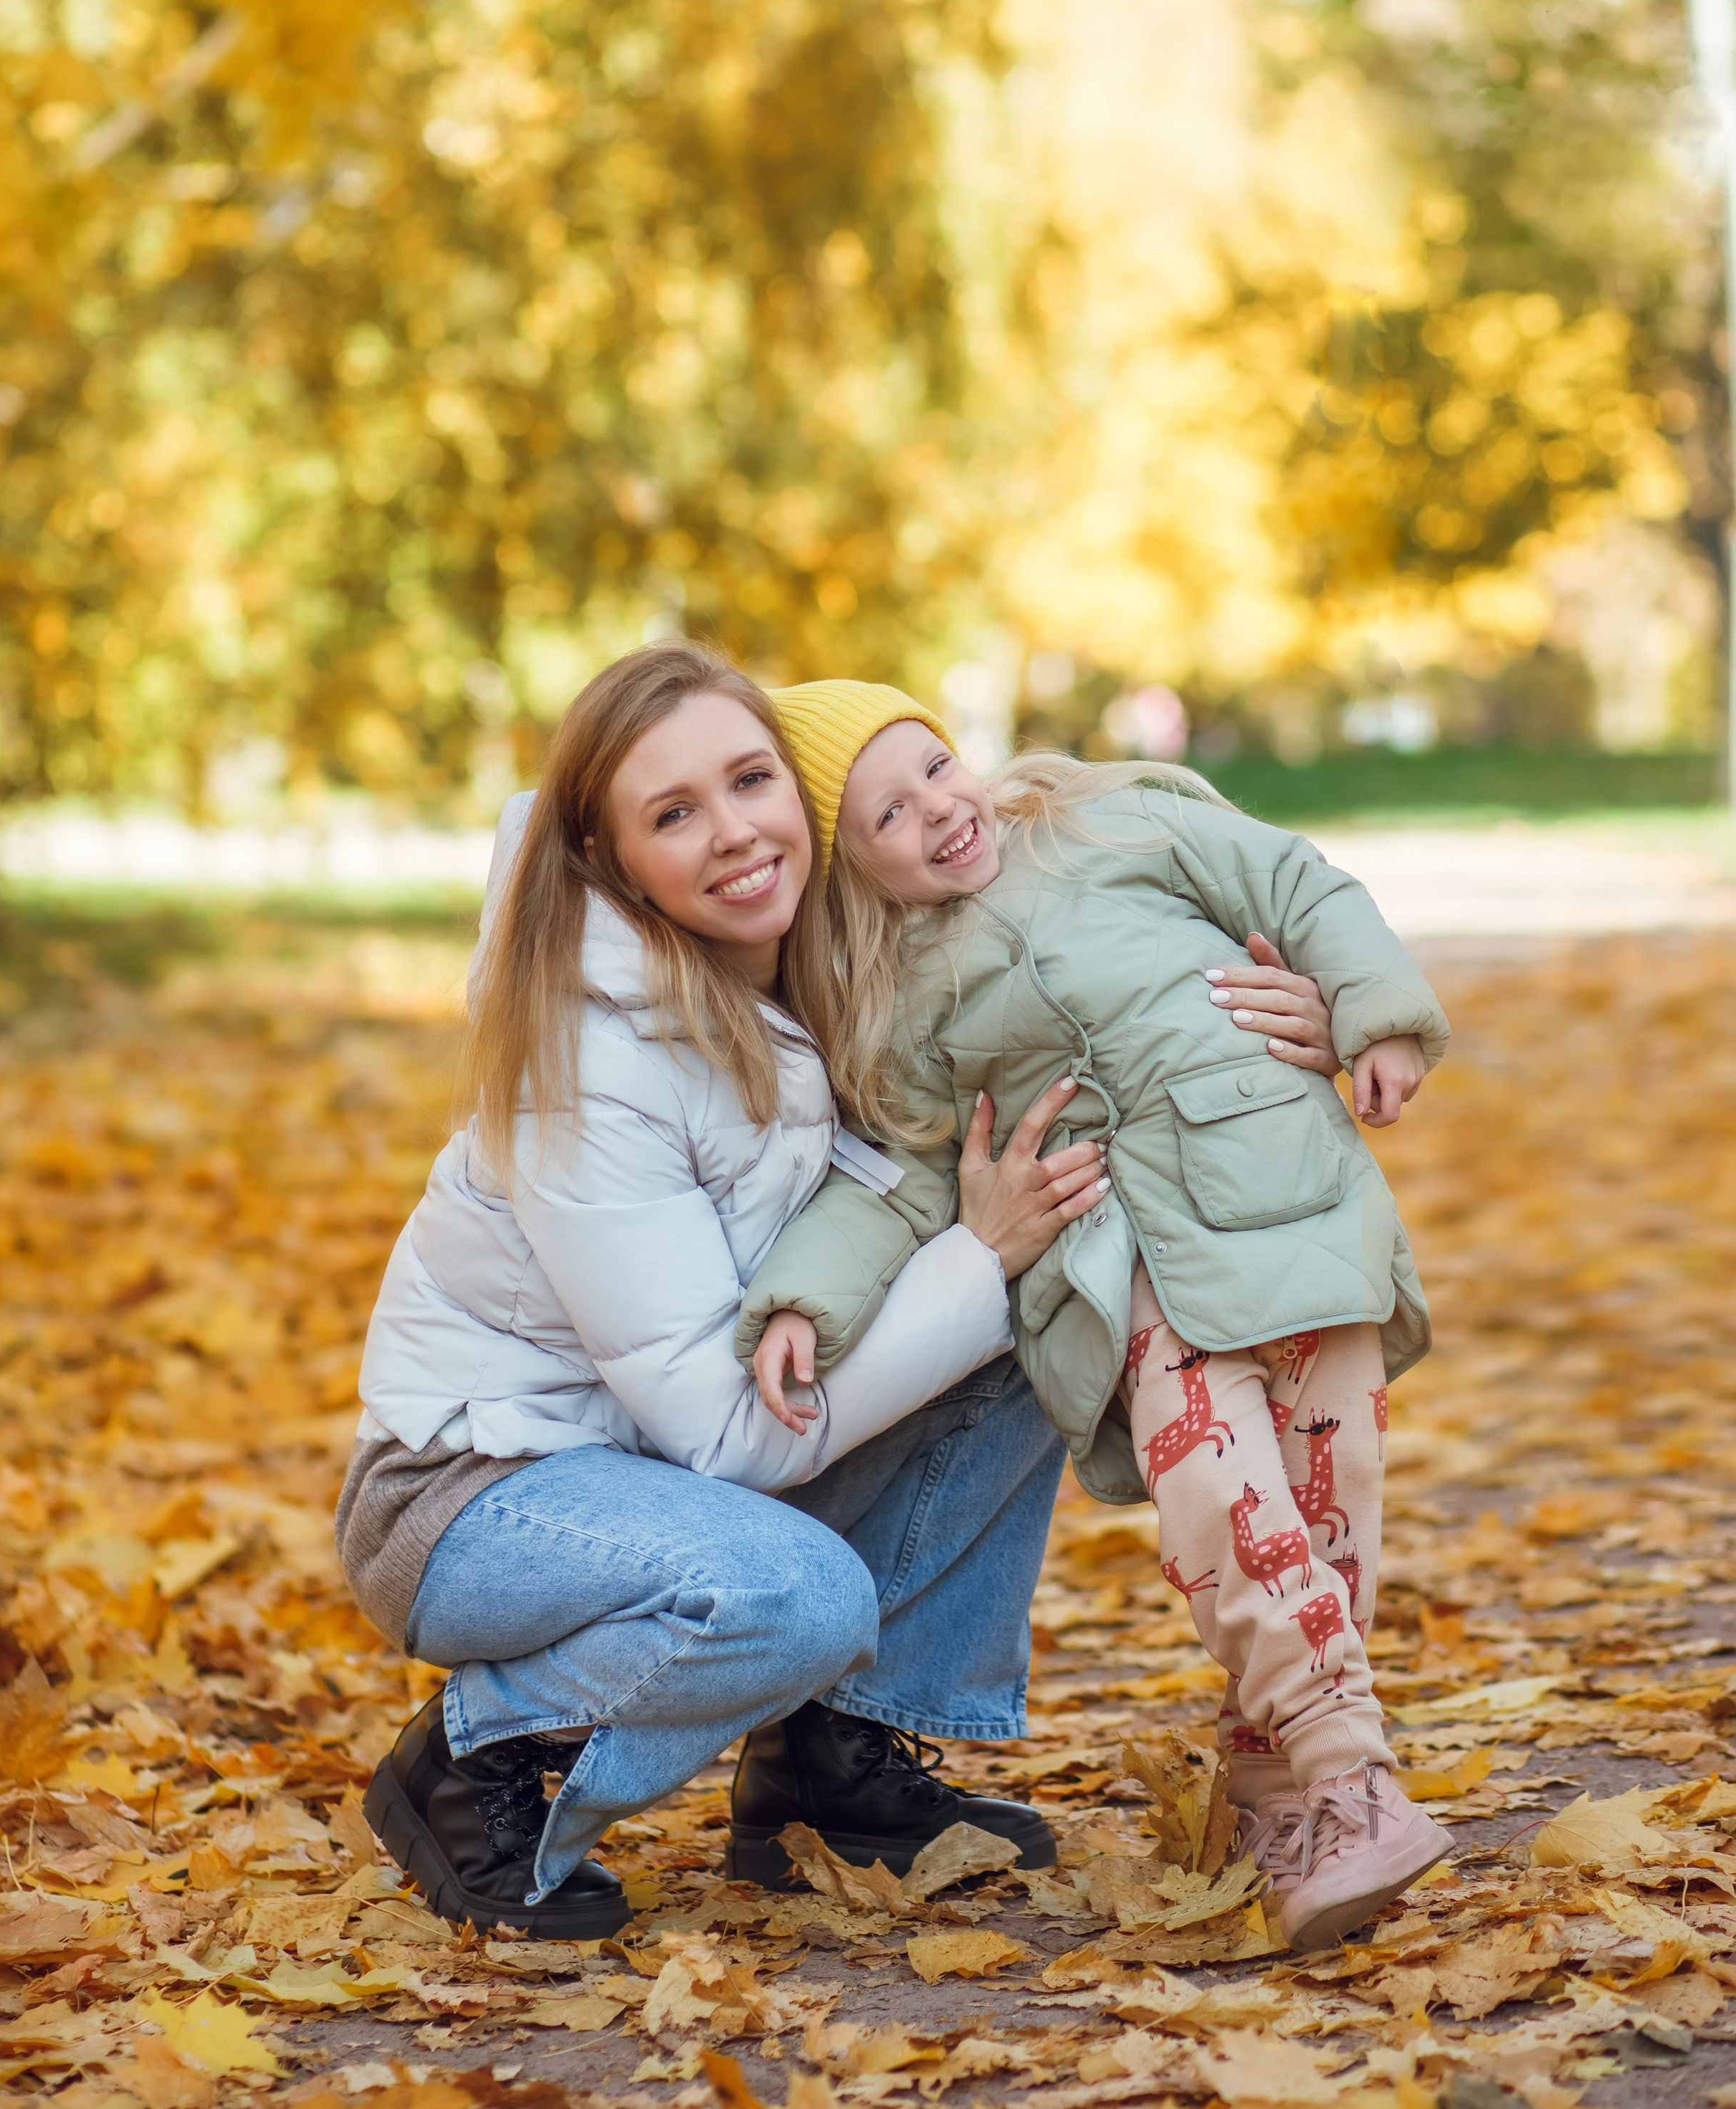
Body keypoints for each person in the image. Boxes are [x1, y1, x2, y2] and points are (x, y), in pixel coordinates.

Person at [338, 643, 1116, 1940]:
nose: (737, 834)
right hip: (478, 1496)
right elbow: (718, 1430)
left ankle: (833, 1766)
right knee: (800, 1592)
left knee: (1034, 1302)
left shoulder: (803, 955)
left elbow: (1079, 960)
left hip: (661, 1468)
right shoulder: (584, 1064)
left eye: (752, 781)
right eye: (674, 814)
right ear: (606, 859)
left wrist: (1302, 1007)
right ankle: (472, 1756)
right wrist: (977, 1264)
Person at [742, 682, 1456, 1955]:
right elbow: (902, 1177)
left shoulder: (1116, 821)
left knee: (1323, 1503)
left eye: (934, 768)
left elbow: (1298, 890)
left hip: (1293, 1211)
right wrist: (809, 1293)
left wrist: (1373, 1013)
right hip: (1132, 1269)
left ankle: (1272, 1800)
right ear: (850, 869)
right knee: (1227, 1510)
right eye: (886, 818)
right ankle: (1351, 1775)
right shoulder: (904, 1003)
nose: (935, 814)